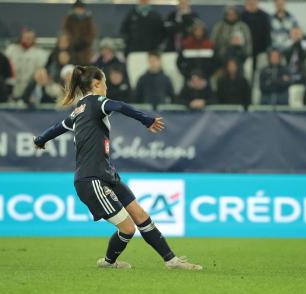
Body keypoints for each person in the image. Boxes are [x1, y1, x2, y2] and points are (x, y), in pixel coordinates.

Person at [33, 65, 202, 270]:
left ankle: (171, 261)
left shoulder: (78, 110)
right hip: (91, 178)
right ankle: (108, 262)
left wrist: (40, 140)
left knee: (140, 215)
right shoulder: (96, 102)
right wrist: (146, 119)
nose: (106, 87)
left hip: (107, 174)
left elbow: (56, 129)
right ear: (96, 84)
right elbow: (120, 106)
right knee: (128, 228)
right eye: (104, 82)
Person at [6, 28, 48, 99]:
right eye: (26, 38)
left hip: (30, 91)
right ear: (21, 38)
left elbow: (40, 76)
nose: (28, 40)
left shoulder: (41, 54)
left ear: (34, 39)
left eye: (30, 38)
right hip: (13, 88)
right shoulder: (11, 50)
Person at [61, 0, 97, 65]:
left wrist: (84, 42)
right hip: (71, 52)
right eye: (77, 9)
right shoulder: (68, 20)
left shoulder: (88, 21)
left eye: (81, 9)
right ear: (74, 9)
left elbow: (92, 34)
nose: (79, 11)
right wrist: (73, 42)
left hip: (85, 53)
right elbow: (65, 33)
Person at [241, 0, 270, 69]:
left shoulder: (264, 16)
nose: (252, 4)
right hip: (246, 51)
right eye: (249, 2)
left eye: (253, 2)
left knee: (260, 70)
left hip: (261, 50)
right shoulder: (242, 16)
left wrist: (266, 49)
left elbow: (267, 34)